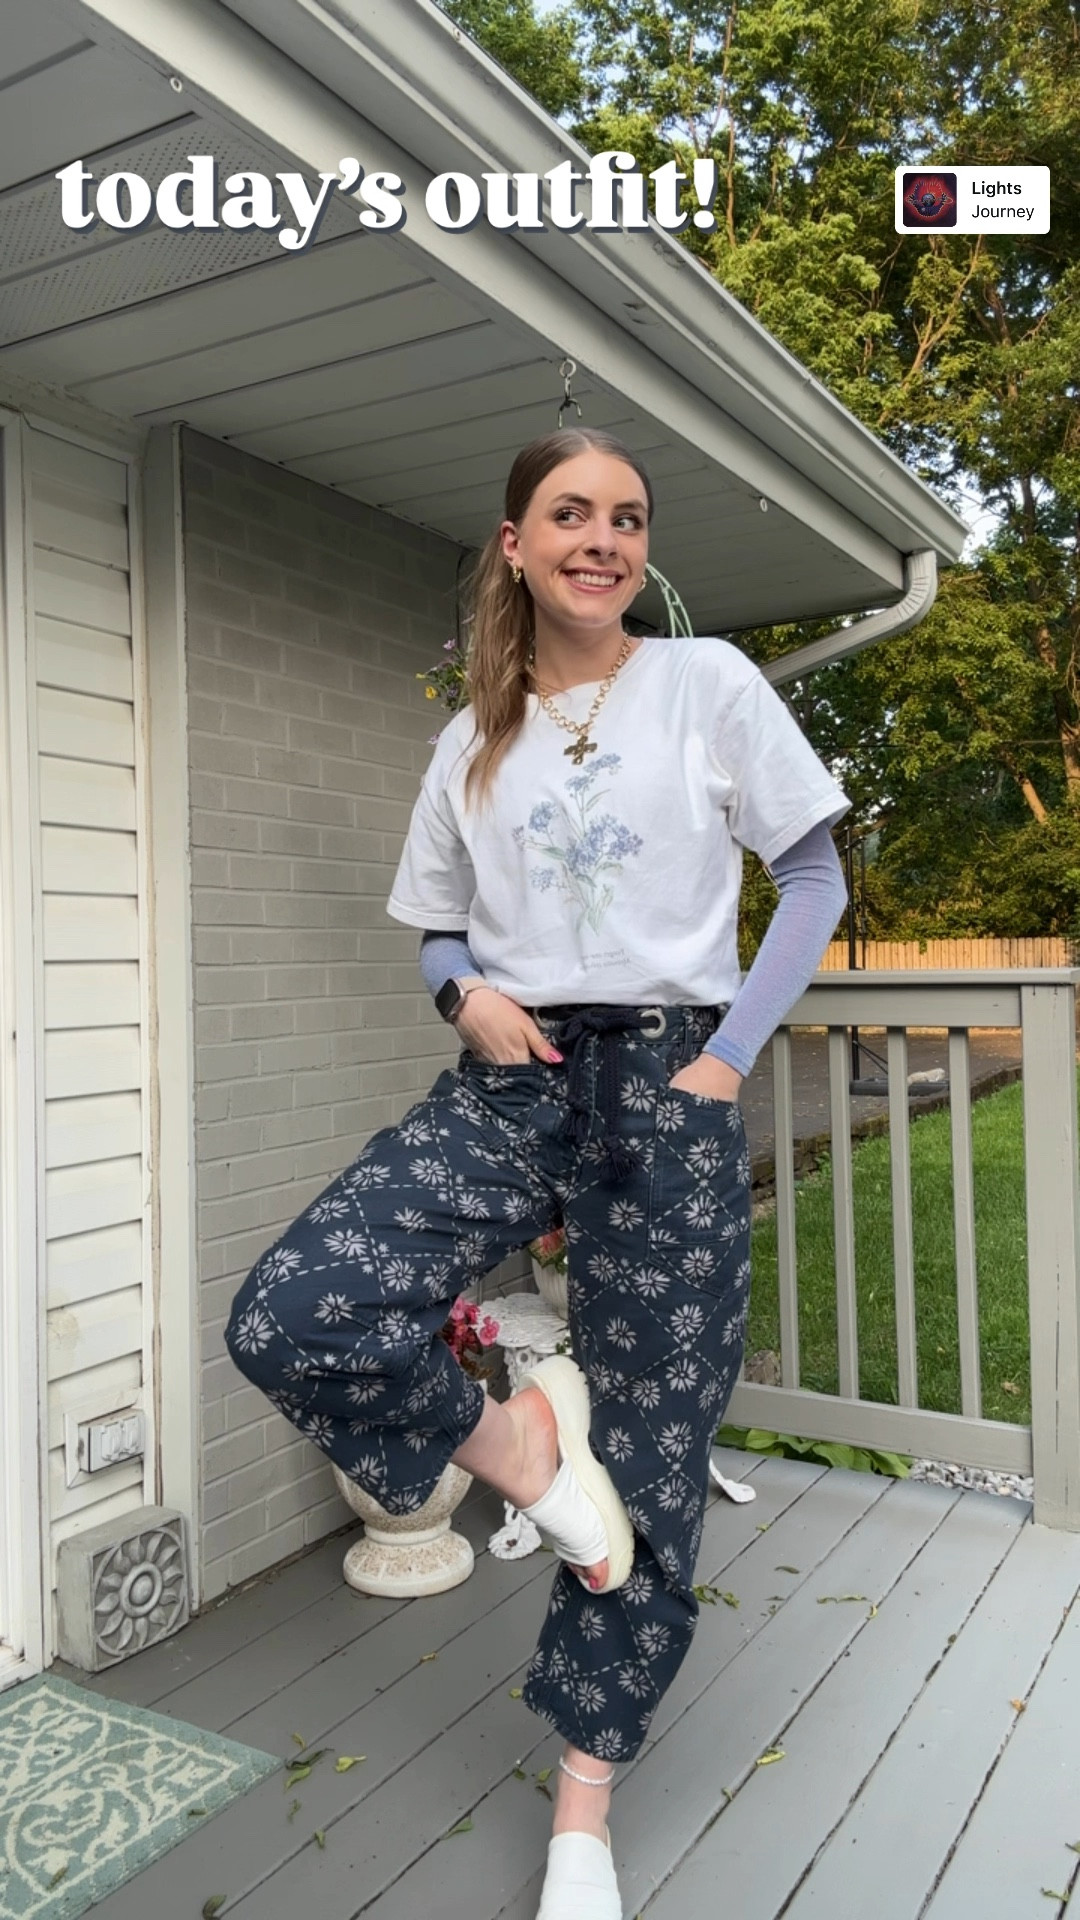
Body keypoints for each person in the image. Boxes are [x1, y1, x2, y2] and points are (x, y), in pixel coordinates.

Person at [226, 427, 848, 1919]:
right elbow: (440, 926)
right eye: (571, 513)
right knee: (294, 1308)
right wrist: (461, 993)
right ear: (515, 542)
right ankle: (527, 1459)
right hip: (515, 1080)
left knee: (657, 1448)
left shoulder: (706, 685)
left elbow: (814, 876)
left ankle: (584, 1807)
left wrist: (723, 1063)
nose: (602, 539)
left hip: (670, 1083)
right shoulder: (471, 740)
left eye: (628, 518)